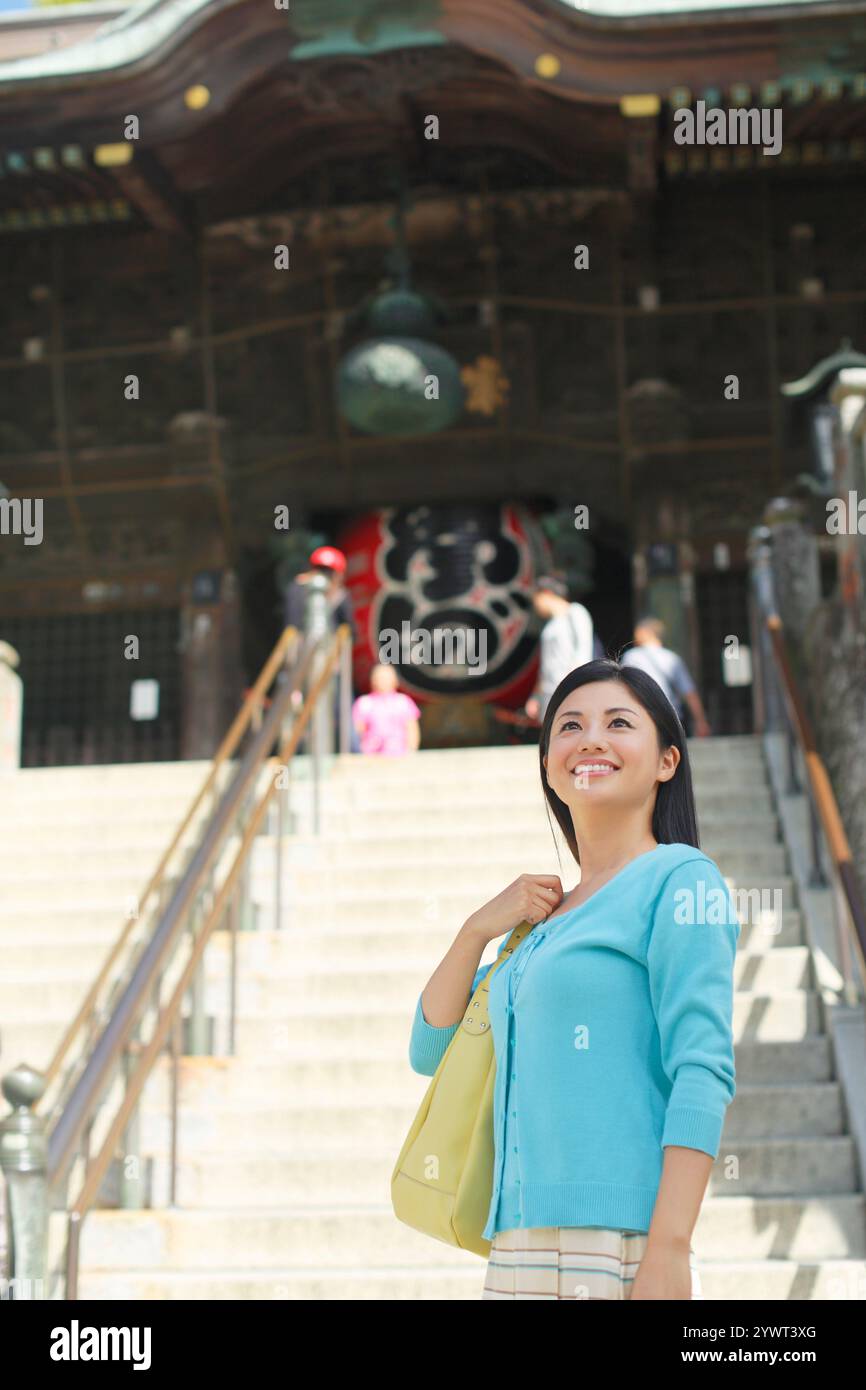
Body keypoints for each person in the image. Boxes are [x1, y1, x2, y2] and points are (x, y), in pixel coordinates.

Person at [408, 656, 739, 1300]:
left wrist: (669, 1250)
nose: (590, 739)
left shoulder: (681, 880)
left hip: (614, 1241)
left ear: (667, 760)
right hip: (517, 1239)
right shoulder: (541, 920)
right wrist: (476, 929)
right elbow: (431, 1049)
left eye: (619, 723)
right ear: (548, 763)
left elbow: (702, 1069)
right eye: (568, 726)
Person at [282, 545, 359, 752]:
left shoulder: (334, 595)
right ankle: (304, 752)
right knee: (309, 709)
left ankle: (348, 750)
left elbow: (349, 630)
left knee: (337, 707)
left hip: (325, 660)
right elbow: (293, 625)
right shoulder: (300, 590)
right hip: (308, 660)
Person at [620, 616, 711, 737]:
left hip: (642, 715)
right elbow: (689, 692)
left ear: (646, 632)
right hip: (671, 716)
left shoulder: (631, 656)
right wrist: (700, 721)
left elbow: (622, 687)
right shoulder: (672, 658)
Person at [524, 575, 595, 723]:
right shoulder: (551, 624)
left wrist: (575, 687)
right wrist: (536, 696)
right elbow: (545, 667)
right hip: (550, 693)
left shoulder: (575, 612)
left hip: (569, 691)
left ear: (546, 594)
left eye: (536, 600)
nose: (536, 606)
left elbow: (583, 652)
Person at [352, 663, 421, 756]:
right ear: (373, 680)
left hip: (399, 757)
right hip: (371, 758)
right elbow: (357, 733)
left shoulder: (403, 702)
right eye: (380, 678)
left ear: (395, 680)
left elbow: (412, 730)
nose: (383, 681)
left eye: (387, 678)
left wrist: (410, 753)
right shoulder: (364, 703)